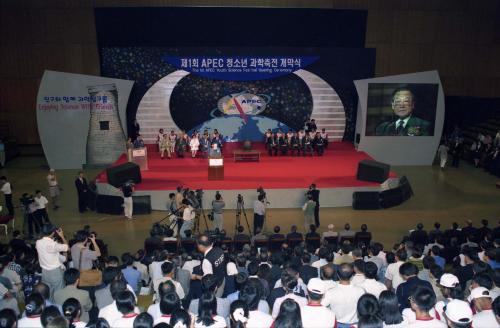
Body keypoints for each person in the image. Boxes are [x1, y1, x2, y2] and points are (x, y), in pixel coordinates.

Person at [322, 263, 365, 328]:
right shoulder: (361, 291)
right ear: (352, 276)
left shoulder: (331, 292)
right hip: (355, 325)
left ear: (338, 275)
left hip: (337, 325)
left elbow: (321, 306)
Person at [35, 225, 68, 300]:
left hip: (44, 271)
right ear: (53, 233)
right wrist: (62, 236)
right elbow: (66, 247)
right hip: (55, 272)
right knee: (59, 293)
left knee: (48, 292)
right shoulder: (53, 245)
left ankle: (50, 308)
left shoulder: (38, 242)